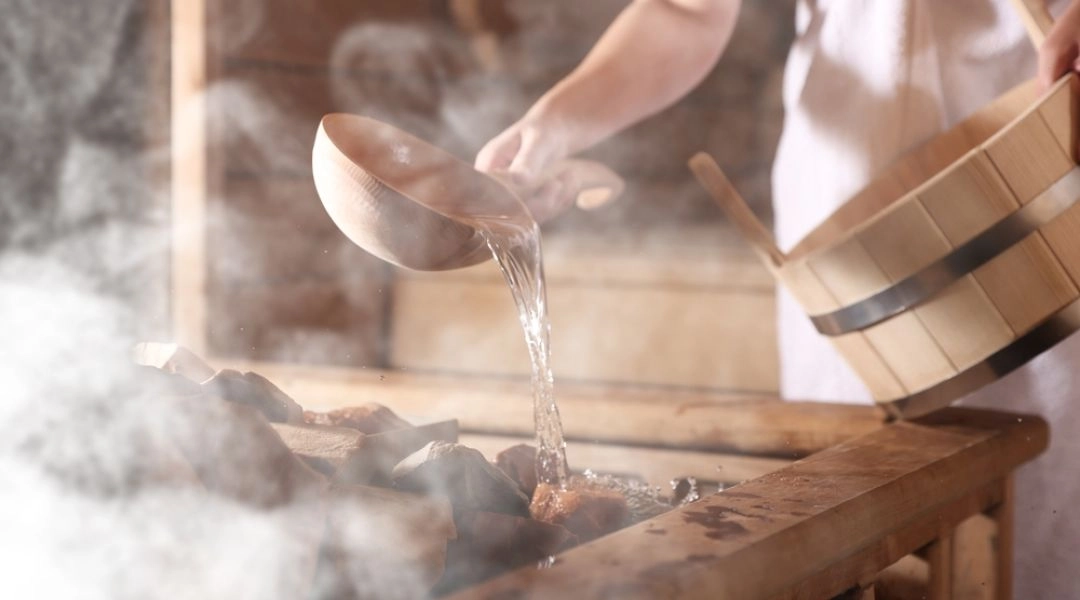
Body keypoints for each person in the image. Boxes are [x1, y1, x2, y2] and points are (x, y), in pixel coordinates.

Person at [474, 1, 1080, 597]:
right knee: (851, 535)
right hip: (841, 251)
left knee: (1045, 530)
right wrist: (551, 127)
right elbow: (687, 10)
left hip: (1042, 181)